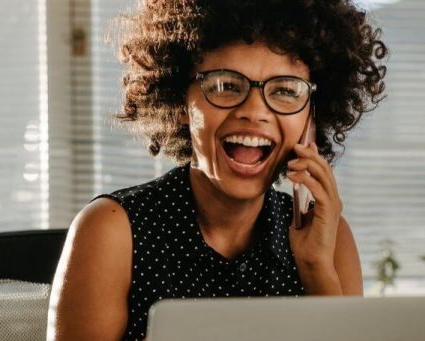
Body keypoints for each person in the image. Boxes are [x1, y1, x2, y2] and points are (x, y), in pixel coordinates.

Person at [48, 1, 388, 340]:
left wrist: (316, 267)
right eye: (226, 85)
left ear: (310, 117)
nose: (254, 111)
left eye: (285, 90)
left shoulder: (329, 240)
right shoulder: (112, 231)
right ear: (182, 102)